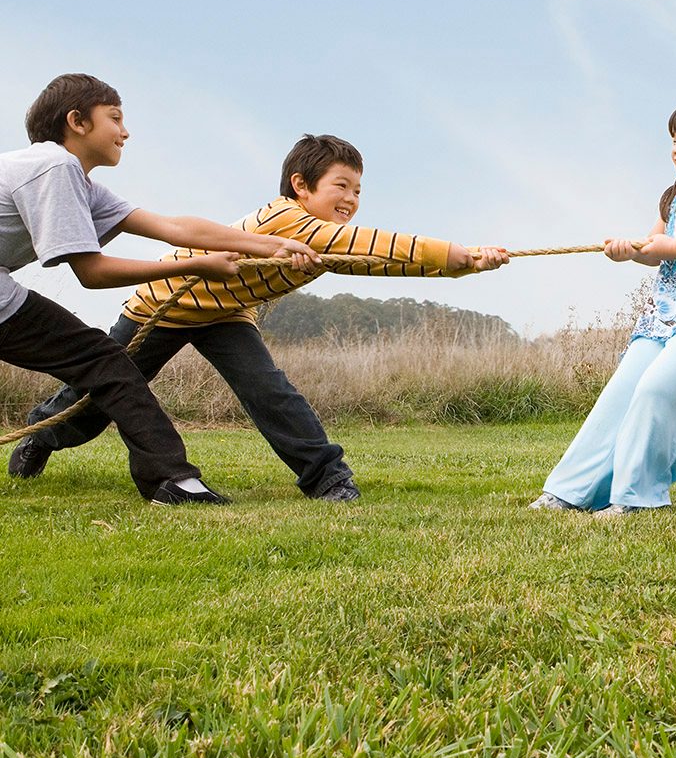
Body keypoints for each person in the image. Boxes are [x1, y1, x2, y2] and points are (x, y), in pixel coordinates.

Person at [10, 133, 508, 501]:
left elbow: (376, 263)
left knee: (269, 389)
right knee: (106, 391)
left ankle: (327, 477)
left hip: (229, 314)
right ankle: (44, 433)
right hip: (167, 303)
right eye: (342, 186)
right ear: (301, 185)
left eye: (358, 191)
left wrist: (465, 268)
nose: (352, 200)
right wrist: (456, 255)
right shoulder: (290, 219)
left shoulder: (319, 236)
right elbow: (380, 246)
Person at [0, 73, 320, 504]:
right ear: (77, 121)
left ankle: (168, 477)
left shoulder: (75, 180)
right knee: (104, 361)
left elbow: (172, 227)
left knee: (104, 363)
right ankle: (172, 480)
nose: (125, 131)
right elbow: (91, 273)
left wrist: (270, 243)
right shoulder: (55, 167)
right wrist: (201, 266)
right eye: (114, 118)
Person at [530, 96, 676, 517]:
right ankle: (570, 490)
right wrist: (631, 252)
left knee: (658, 392)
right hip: (664, 318)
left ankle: (636, 497)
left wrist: (669, 246)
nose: (675, 148)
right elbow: (655, 249)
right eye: (672, 139)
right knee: (621, 393)